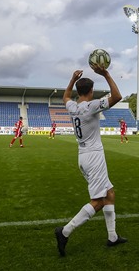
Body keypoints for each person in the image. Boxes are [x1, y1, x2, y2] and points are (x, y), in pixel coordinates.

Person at [54, 64, 126, 257]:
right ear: (91, 91)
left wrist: (72, 79)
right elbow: (117, 97)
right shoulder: (91, 106)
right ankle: (65, 231)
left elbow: (66, 97)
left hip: (83, 156)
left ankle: (112, 237)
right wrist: (106, 74)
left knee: (109, 193)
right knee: (98, 201)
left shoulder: (73, 107)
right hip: (94, 157)